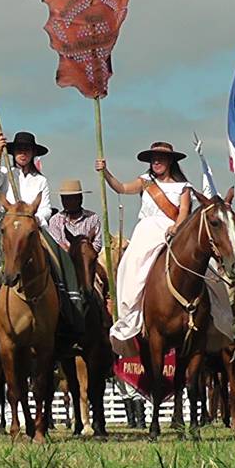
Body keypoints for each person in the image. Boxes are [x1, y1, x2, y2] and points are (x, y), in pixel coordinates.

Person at [0, 132, 85, 345]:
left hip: (32, 226)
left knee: (61, 260)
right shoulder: (5, 172)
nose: (23, 153)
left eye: (27, 150)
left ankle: (69, 311)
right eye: (19, 150)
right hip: (6, 225)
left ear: (33, 154)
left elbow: (46, 210)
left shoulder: (41, 180)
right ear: (13, 153)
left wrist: (31, 220)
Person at [97, 141, 191, 354]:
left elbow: (184, 211)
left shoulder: (183, 187)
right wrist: (106, 173)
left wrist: (177, 228)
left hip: (173, 231)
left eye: (161, 158)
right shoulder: (146, 181)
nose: (156, 162)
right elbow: (121, 188)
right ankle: (131, 314)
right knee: (130, 266)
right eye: (153, 158)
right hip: (146, 232)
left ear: (170, 161)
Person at [47, 179, 102, 253]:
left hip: (88, 260)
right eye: (64, 199)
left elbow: (97, 244)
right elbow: (57, 244)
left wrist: (85, 252)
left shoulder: (92, 218)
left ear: (80, 199)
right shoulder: (55, 220)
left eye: (70, 199)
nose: (66, 202)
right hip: (65, 261)